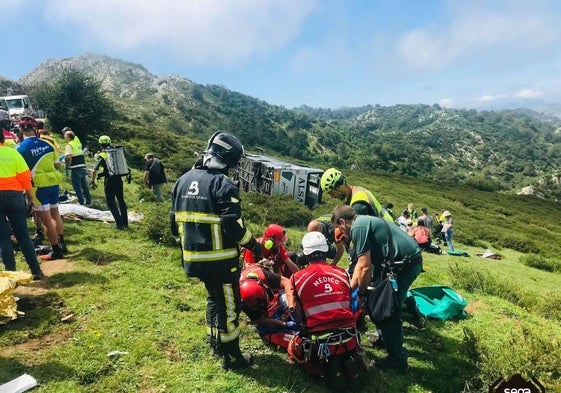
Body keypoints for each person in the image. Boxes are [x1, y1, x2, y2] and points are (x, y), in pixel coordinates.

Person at [170, 131, 264, 370]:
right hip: (221, 262)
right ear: (229, 158)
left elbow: (173, 225)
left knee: (213, 299)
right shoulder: (222, 183)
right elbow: (233, 226)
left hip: (192, 260)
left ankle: (215, 342)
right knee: (230, 307)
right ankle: (233, 357)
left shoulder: (182, 180)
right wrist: (254, 245)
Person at [332, 205, 423, 373]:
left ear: (343, 222)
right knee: (376, 302)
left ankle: (397, 360)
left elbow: (364, 267)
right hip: (402, 263)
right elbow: (362, 267)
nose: (342, 235)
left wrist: (357, 293)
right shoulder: (365, 221)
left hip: (405, 266)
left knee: (388, 310)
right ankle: (384, 339)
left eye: (339, 229)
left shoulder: (358, 227)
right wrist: (353, 290)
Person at [288, 231, 364, 390]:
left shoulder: (296, 278)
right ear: (327, 251)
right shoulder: (342, 272)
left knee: (292, 347)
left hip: (318, 335)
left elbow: (295, 309)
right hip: (348, 330)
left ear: (304, 254)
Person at [16, 116, 66, 261]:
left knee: (46, 221)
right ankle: (62, 242)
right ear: (35, 129)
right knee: (55, 213)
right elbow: (57, 165)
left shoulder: (19, 148)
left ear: (20, 130)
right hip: (53, 184)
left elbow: (20, 171)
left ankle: (56, 250)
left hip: (38, 187)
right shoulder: (48, 144)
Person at [0, 127, 44, 280]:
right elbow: (26, 178)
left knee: (3, 238)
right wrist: (31, 198)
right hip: (15, 196)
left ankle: (11, 276)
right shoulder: (13, 153)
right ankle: (36, 271)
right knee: (23, 235)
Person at [239, 261, 297, 349]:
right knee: (264, 328)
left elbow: (287, 282)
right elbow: (260, 320)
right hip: (268, 309)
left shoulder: (264, 275)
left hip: (277, 297)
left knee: (287, 299)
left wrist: (291, 306)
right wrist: (285, 324)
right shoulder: (243, 300)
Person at [320, 168, 394, 221]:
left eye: (332, 193)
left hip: (388, 238)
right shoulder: (357, 191)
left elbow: (360, 234)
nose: (332, 197)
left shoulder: (358, 205)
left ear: (339, 187)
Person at [90, 135, 129, 230]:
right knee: (121, 201)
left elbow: (94, 170)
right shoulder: (115, 152)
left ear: (100, 144)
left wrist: (92, 181)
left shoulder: (103, 154)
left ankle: (119, 224)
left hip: (110, 181)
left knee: (111, 202)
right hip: (119, 179)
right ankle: (125, 222)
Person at [63, 127, 91, 206]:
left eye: (65, 136)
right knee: (84, 185)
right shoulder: (78, 143)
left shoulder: (69, 145)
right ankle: (88, 200)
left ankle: (81, 201)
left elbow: (69, 156)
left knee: (77, 186)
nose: (64, 138)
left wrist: (67, 165)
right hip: (82, 166)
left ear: (68, 137)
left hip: (75, 167)